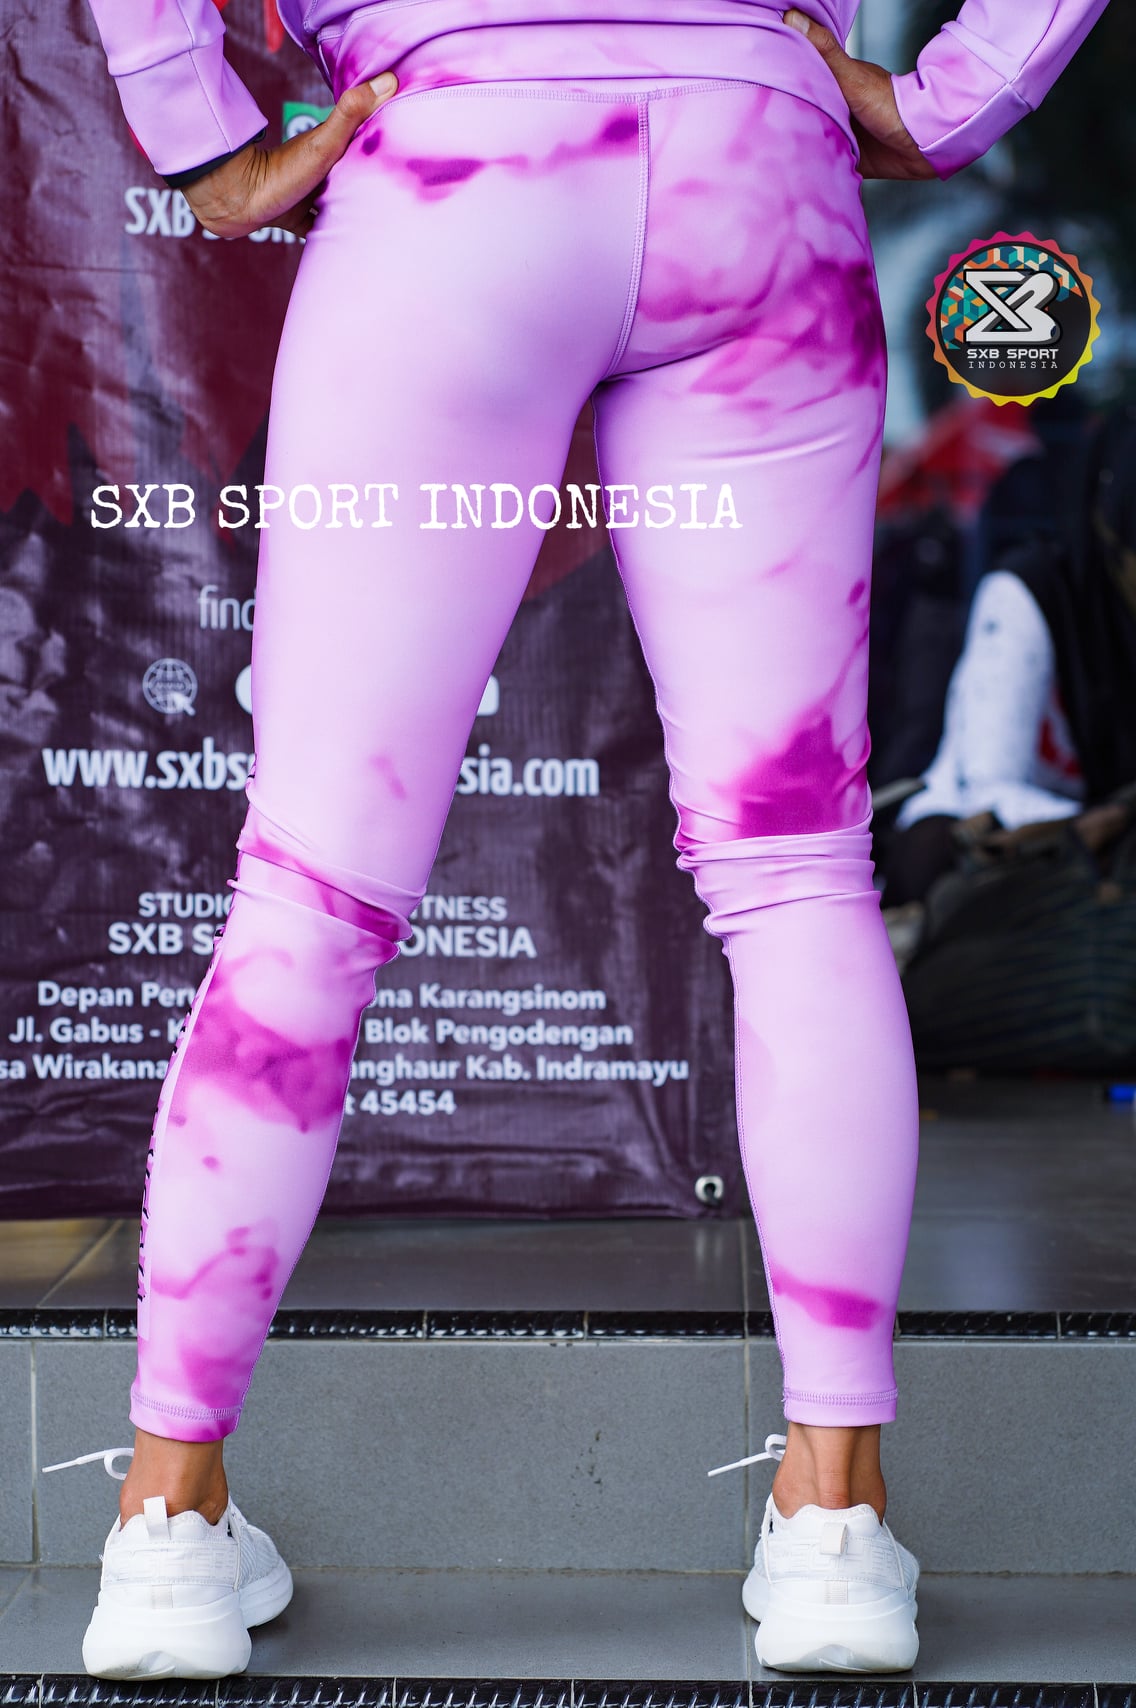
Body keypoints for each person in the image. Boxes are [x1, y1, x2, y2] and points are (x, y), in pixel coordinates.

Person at [57, 0, 1109, 1681]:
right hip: (756, 175)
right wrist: (951, 98)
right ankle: (836, 1528)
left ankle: (168, 1535)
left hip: (455, 176)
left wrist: (202, 133)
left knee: (313, 890)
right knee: (796, 876)